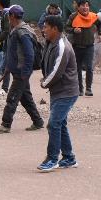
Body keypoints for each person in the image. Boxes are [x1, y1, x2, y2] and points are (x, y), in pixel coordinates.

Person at [37, 15, 79, 172]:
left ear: (55, 29)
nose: (43, 29)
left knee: (53, 124)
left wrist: (44, 82)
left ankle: (52, 158)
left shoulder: (62, 46)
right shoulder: (50, 42)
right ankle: (69, 158)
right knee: (60, 123)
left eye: (46, 27)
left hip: (66, 92)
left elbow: (57, 72)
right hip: (57, 91)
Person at [0, 5, 44, 134]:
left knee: (12, 97)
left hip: (21, 72)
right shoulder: (16, 29)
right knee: (25, 97)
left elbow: (29, 54)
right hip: (18, 70)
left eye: (8, 15)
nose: (7, 18)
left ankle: (6, 124)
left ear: (12, 16)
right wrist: (9, 67)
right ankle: (38, 121)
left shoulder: (22, 32)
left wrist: (25, 73)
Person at [65, 0, 98, 97]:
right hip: (76, 46)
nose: (85, 7)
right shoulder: (73, 16)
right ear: (78, 7)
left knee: (89, 67)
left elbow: (99, 25)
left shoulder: (93, 16)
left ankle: (88, 89)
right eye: (83, 5)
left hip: (89, 46)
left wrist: (100, 33)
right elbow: (66, 28)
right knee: (77, 68)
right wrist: (74, 30)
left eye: (87, 5)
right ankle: (80, 89)